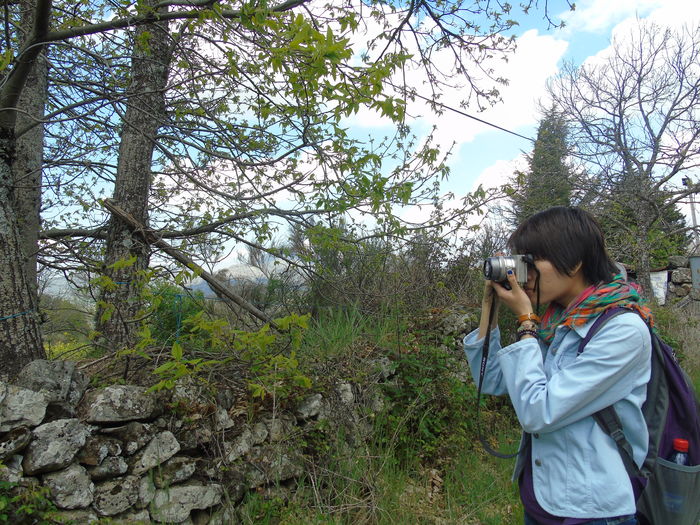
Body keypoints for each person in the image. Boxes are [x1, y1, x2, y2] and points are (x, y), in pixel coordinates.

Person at [464, 207, 653, 525]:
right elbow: (493, 381)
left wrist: (526, 322)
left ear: (575, 261)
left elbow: (538, 412)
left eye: (532, 261)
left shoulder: (623, 331)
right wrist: (490, 306)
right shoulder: (557, 321)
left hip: (593, 511)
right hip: (542, 499)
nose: (526, 273)